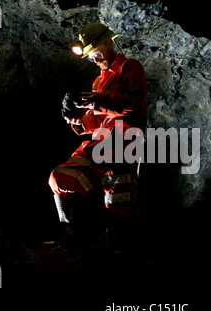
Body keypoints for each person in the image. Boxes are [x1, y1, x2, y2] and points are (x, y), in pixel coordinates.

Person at [48, 22, 148, 245]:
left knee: (120, 203)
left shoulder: (129, 68)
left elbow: (135, 107)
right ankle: (71, 236)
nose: (95, 59)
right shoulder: (98, 81)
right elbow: (96, 122)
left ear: (110, 43)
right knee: (59, 177)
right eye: (91, 56)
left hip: (124, 143)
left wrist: (98, 102)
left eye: (97, 53)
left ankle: (120, 249)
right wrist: (77, 121)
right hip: (100, 144)